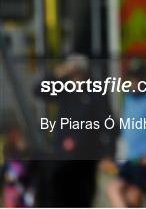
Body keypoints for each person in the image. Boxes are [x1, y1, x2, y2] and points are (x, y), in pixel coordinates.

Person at [33, 54, 116, 207]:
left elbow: (109, 123)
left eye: (75, 71)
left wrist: (108, 153)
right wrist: (57, 74)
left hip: (85, 157)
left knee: (81, 199)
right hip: (62, 156)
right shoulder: (64, 90)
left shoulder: (94, 92)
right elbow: (38, 90)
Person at [107, 59, 146, 207]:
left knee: (136, 196)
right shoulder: (128, 99)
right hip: (130, 158)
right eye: (131, 78)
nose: (133, 82)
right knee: (114, 189)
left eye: (137, 78)